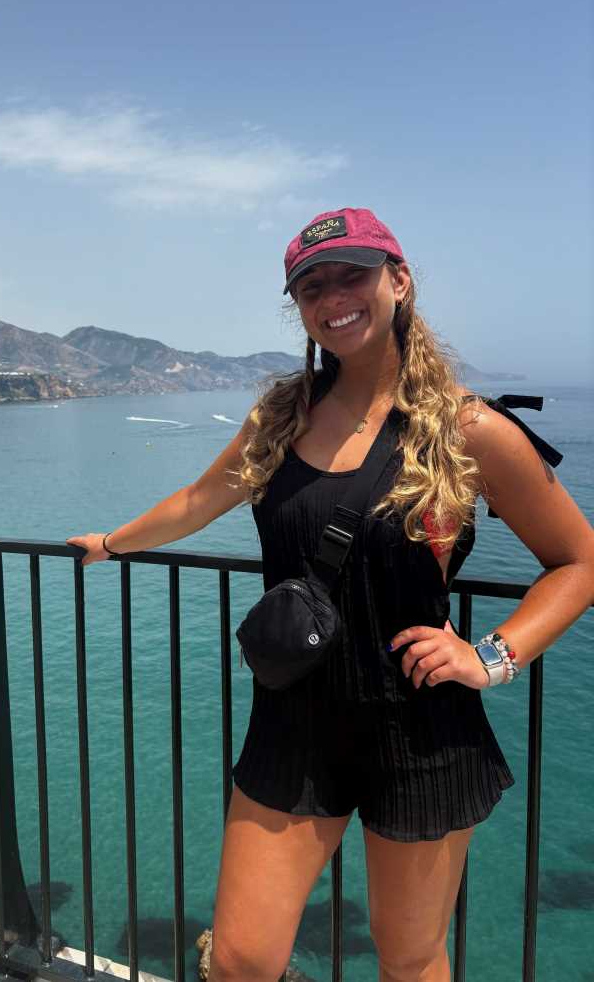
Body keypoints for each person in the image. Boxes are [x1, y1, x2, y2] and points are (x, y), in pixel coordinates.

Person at [66, 207, 594, 982]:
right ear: (299, 308)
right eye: (312, 287)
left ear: (399, 281)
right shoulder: (283, 417)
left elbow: (578, 562)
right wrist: (111, 543)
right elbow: (199, 499)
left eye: (353, 275)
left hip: (420, 727)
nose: (333, 297)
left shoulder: (466, 428)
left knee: (410, 959)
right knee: (240, 958)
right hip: (294, 721)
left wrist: (491, 657)